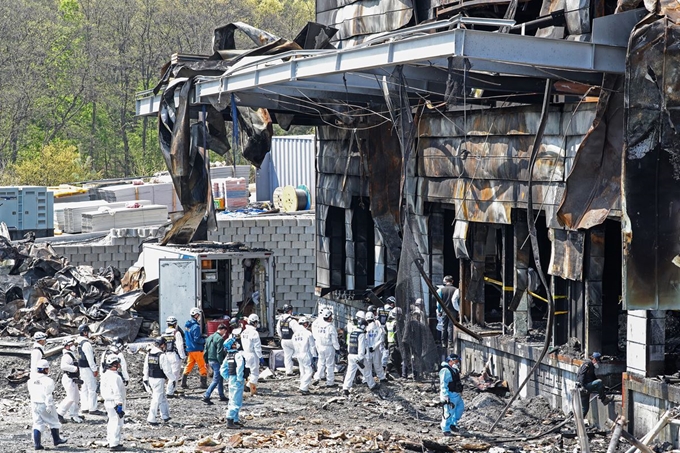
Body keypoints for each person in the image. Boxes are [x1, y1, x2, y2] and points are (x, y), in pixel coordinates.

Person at [28, 359, 68, 450]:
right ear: (45, 369)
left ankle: (37, 444)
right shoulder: (48, 381)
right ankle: (56, 439)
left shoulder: (31, 380)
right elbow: (48, 394)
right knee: (53, 421)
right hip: (44, 403)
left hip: (34, 404)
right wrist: (49, 405)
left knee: (37, 423)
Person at [342, 319, 378, 395]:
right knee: (367, 371)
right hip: (358, 357)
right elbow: (361, 348)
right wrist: (361, 359)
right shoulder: (361, 334)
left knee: (350, 372)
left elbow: (349, 346)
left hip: (351, 355)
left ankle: (345, 388)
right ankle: (372, 385)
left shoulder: (352, 333)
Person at [143, 337, 174, 425]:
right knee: (156, 399)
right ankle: (151, 418)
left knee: (162, 397)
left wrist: (145, 378)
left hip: (151, 378)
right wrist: (172, 379)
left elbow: (146, 367)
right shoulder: (161, 355)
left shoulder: (149, 354)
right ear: (163, 345)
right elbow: (167, 370)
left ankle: (165, 415)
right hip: (159, 379)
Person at [100, 355, 126, 451]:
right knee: (116, 422)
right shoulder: (114, 377)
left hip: (108, 402)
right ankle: (114, 444)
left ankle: (111, 440)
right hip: (115, 402)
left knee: (111, 421)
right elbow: (116, 391)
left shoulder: (106, 374)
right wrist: (119, 404)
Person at [220, 335, 246, 429]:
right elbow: (240, 367)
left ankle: (235, 420)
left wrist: (227, 377)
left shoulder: (228, 355)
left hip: (231, 379)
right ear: (233, 345)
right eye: (235, 343)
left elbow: (222, 369)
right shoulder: (238, 355)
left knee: (232, 399)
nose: (237, 344)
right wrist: (239, 378)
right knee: (236, 401)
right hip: (236, 379)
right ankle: (230, 420)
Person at [76, 324, 103, 415]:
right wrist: (94, 369)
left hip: (82, 368)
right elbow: (90, 358)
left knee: (84, 388)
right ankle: (93, 408)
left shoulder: (79, 343)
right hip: (88, 368)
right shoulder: (86, 344)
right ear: (85, 332)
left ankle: (85, 407)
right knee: (92, 388)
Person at [56, 338, 83, 424]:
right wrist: (75, 369)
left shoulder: (71, 354)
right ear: (67, 346)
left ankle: (74, 414)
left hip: (73, 378)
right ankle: (59, 413)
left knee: (76, 397)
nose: (73, 346)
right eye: (71, 345)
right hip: (68, 378)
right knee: (71, 397)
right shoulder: (66, 356)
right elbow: (63, 366)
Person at [577, 352, 612, 416]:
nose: (598, 363)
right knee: (599, 382)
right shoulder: (588, 364)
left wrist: (603, 387)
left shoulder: (592, 367)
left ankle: (579, 423)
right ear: (594, 359)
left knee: (585, 409)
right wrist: (582, 386)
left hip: (585, 388)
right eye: (597, 361)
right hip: (584, 387)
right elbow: (581, 375)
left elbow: (593, 378)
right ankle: (604, 399)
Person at [312, 308, 340, 388]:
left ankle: (317, 377)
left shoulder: (319, 325)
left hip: (320, 346)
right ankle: (330, 382)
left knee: (321, 362)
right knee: (330, 365)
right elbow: (334, 340)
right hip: (329, 347)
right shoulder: (330, 327)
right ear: (329, 317)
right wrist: (337, 348)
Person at [202, 324, 228, 405]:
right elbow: (219, 353)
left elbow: (205, 351)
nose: (225, 333)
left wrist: (206, 361)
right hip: (216, 361)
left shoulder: (209, 337)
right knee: (216, 380)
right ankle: (206, 395)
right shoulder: (220, 339)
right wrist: (222, 363)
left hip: (210, 360)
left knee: (220, 378)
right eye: (225, 331)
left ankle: (221, 395)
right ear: (223, 330)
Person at [182, 307, 208, 390]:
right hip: (197, 349)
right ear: (196, 315)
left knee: (189, 365)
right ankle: (203, 384)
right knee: (202, 366)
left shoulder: (187, 325)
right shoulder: (196, 326)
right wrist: (204, 340)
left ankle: (183, 383)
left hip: (190, 349)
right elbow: (197, 339)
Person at [439, 353, 464, 435]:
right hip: (449, 394)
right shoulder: (445, 370)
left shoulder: (454, 369)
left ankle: (453, 424)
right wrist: (445, 395)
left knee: (460, 408)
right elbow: (443, 384)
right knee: (448, 412)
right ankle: (445, 429)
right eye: (455, 361)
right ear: (450, 361)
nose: (457, 363)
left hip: (456, 394)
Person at [163, 316, 186, 397]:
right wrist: (183, 356)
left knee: (168, 373)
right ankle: (170, 392)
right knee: (174, 374)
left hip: (166, 355)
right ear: (175, 324)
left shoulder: (164, 334)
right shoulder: (177, 333)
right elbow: (180, 346)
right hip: (174, 356)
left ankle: (173, 389)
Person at [241, 313, 264, 395]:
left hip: (245, 353)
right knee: (255, 373)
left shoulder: (244, 332)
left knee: (248, 371)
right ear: (254, 322)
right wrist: (260, 357)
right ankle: (252, 390)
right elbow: (257, 347)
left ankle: (247, 385)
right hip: (252, 355)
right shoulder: (254, 333)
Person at [292, 317, 315, 395]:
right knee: (309, 371)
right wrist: (314, 355)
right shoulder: (308, 333)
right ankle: (303, 387)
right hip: (306, 354)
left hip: (298, 354)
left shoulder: (295, 334)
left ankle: (304, 386)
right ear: (305, 324)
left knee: (302, 371)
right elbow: (312, 345)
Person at [276, 304, 299, 376]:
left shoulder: (280, 320)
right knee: (300, 353)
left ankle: (289, 371)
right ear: (290, 311)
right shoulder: (292, 320)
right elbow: (297, 331)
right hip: (291, 340)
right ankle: (302, 369)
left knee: (287, 356)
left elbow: (278, 330)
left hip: (284, 340)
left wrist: (281, 337)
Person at [437, 276, 460, 347]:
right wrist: (459, 310)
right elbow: (458, 301)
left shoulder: (441, 290)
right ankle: (450, 343)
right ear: (452, 281)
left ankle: (443, 343)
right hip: (453, 310)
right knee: (450, 326)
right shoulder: (456, 290)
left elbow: (439, 302)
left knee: (444, 326)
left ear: (445, 281)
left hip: (444, 310)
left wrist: (439, 311)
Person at [365, 311, 387, 382]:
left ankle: (366, 380)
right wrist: (374, 347)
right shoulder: (378, 329)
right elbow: (381, 339)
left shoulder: (366, 329)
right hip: (376, 349)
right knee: (378, 364)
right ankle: (382, 377)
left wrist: (368, 347)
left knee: (367, 365)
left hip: (368, 350)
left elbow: (364, 340)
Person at [385, 309, 402, 377]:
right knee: (392, 359)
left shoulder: (388, 323)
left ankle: (400, 374)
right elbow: (396, 334)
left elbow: (385, 334)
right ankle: (387, 371)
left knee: (397, 359)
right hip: (394, 343)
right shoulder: (396, 323)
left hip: (390, 342)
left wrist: (385, 343)